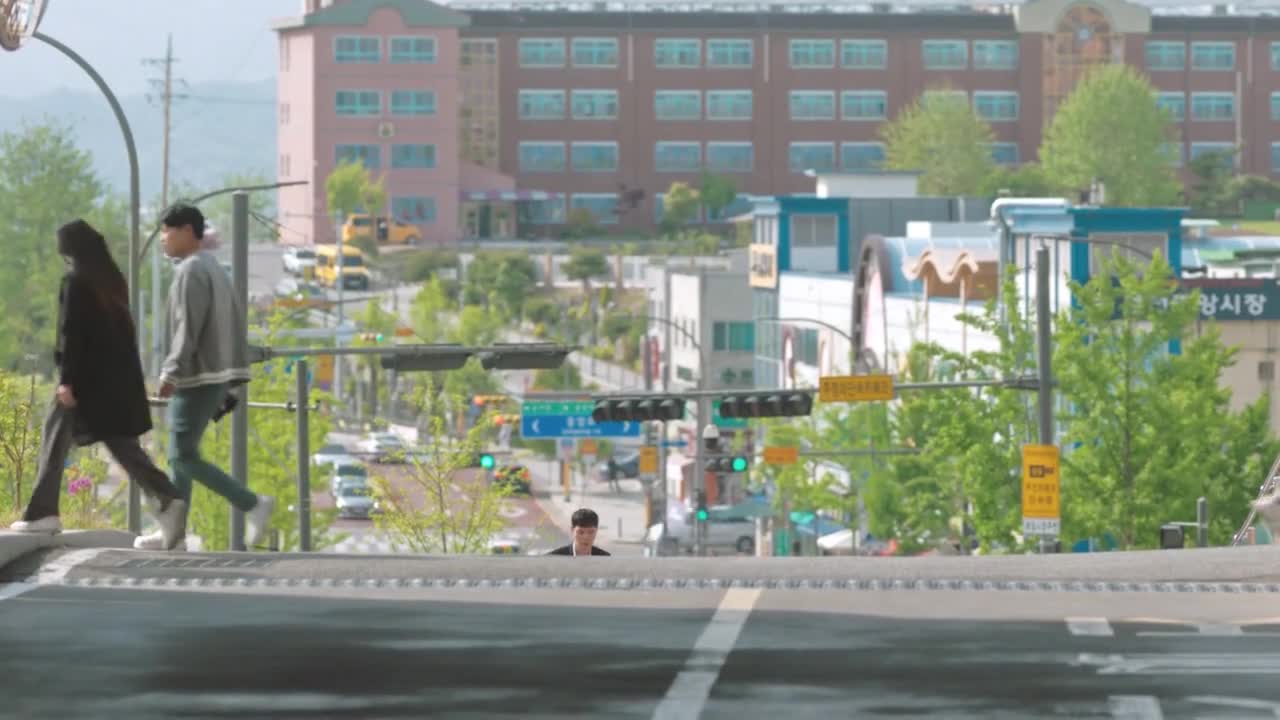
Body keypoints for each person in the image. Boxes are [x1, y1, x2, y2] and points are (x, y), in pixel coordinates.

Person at [9, 220, 187, 549]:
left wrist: (67, 381)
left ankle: (43, 512)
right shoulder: (110, 281)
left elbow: (72, 333)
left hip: (85, 384)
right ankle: (167, 501)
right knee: (122, 445)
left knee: (54, 436)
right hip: (116, 384)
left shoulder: (76, 282)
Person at [132, 204, 275, 550]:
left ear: (186, 231)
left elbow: (188, 327)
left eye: (166, 231)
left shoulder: (192, 269)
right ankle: (174, 535)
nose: (162, 239)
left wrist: (171, 370)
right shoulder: (211, 266)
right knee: (180, 455)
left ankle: (251, 503)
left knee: (182, 456)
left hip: (198, 376)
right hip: (213, 373)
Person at [547, 508, 611, 556]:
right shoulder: (555, 557)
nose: (586, 537)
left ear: (596, 531)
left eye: (591, 532)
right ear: (572, 530)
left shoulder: (604, 558)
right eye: (581, 532)